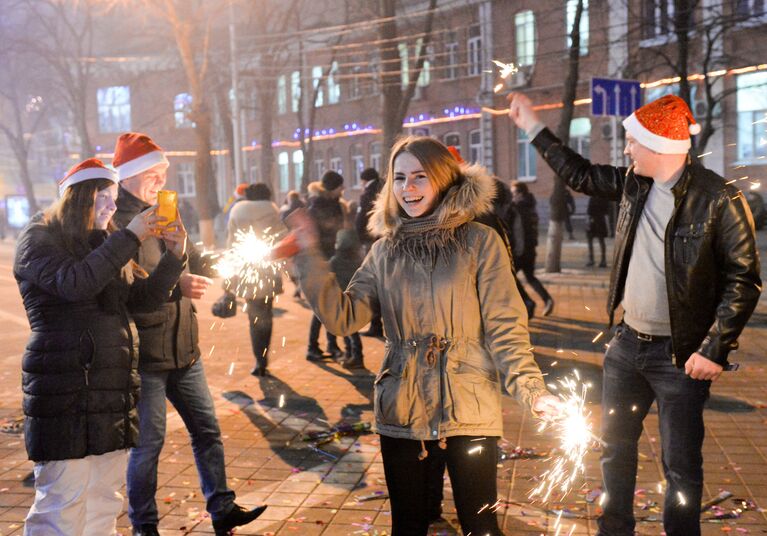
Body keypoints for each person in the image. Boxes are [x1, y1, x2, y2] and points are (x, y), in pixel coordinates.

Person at [508, 93, 761, 536]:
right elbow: (580, 173)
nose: (626, 150)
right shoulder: (633, 183)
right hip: (626, 347)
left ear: (659, 145)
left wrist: (713, 350)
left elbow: (744, 281)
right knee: (613, 450)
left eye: (631, 142)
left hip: (681, 358)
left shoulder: (719, 199)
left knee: (681, 464)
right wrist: (532, 127)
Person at [287, 136, 561, 535]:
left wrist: (532, 390)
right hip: (403, 406)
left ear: (444, 180)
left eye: (419, 177)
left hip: (469, 407)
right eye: (399, 178)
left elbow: (506, 328)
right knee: (409, 526)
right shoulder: (385, 251)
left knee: (480, 526)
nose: (408, 188)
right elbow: (344, 319)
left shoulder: (479, 241)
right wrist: (308, 255)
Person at [15, 158, 186, 536]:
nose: (111, 207)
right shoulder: (39, 238)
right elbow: (75, 283)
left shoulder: (107, 241)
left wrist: (175, 257)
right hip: (65, 394)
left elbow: (138, 301)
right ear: (76, 199)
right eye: (102, 198)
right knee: (62, 506)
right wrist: (130, 237)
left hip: (111, 393)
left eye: (113, 197)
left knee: (103, 502)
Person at [110, 133, 266, 536]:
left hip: (184, 348)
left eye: (163, 172)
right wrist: (177, 280)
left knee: (207, 431)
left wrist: (241, 262)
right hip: (146, 355)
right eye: (152, 173)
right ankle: (144, 525)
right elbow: (131, 293)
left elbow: (194, 258)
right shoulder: (117, 224)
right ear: (127, 176)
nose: (160, 180)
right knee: (149, 445)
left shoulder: (167, 211)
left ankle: (223, 508)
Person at [226, 183, 286, 376]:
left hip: (246, 270)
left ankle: (258, 361)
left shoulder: (237, 212)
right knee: (267, 316)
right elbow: (281, 240)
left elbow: (231, 245)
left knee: (254, 318)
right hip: (268, 269)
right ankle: (264, 358)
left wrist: (230, 274)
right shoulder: (273, 211)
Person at [305, 170, 347, 361]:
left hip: (332, 259)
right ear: (333, 188)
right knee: (323, 306)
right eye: (340, 186)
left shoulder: (334, 204)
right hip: (320, 261)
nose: (343, 189)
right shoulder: (317, 207)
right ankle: (314, 347)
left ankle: (328, 344)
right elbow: (316, 237)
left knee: (329, 305)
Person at [510, 181, 555, 316]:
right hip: (531, 248)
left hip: (521, 250)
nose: (512, 196)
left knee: (510, 277)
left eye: (513, 193)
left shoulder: (518, 208)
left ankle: (528, 302)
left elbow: (519, 231)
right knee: (530, 277)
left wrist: (518, 249)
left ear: (520, 193)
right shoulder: (531, 206)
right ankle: (547, 299)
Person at [328, 228, 365, 369]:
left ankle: (356, 355)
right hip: (354, 296)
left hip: (341, 298)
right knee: (349, 328)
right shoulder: (357, 258)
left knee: (348, 329)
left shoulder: (335, 260)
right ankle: (351, 354)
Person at [355, 167, 384, 338]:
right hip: (385, 240)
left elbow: (361, 220)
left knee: (373, 285)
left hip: (372, 242)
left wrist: (360, 239)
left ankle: (375, 324)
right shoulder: (384, 187)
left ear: (364, 180)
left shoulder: (367, 193)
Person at [586, 196, 610, 268]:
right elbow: (607, 210)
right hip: (600, 221)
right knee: (601, 241)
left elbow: (589, 210)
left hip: (593, 221)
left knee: (590, 240)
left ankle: (592, 259)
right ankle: (603, 260)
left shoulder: (593, 197)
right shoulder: (604, 197)